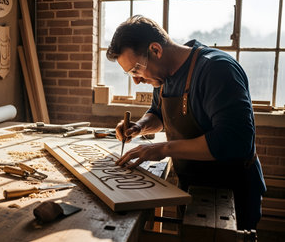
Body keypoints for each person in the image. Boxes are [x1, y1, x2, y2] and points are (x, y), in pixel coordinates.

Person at [107, 15, 266, 230]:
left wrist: (162, 148)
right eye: (129, 74)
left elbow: (235, 142)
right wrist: (140, 126)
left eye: (136, 70)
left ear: (156, 50)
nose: (135, 80)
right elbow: (159, 114)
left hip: (230, 192)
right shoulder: (162, 75)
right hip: (191, 184)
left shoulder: (216, 70)